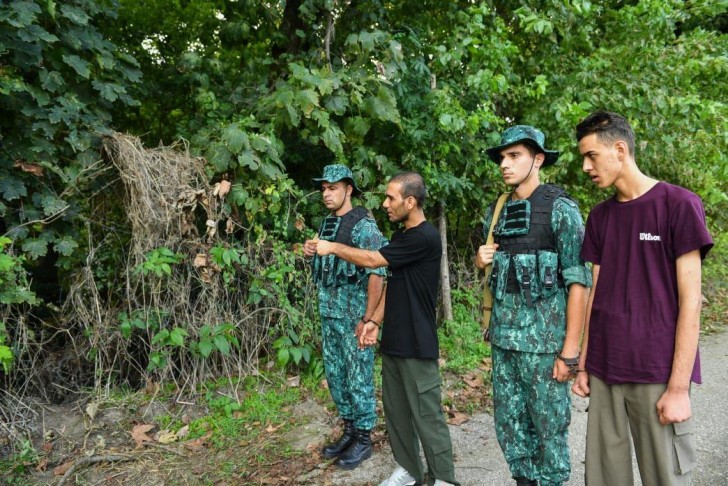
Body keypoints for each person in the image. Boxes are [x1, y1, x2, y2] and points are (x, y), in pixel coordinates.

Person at [572, 111, 714, 486]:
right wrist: (585, 364)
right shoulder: (600, 217)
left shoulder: (678, 205)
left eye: (591, 156)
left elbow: (691, 301)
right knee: (603, 479)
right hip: (604, 371)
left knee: (664, 478)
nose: (586, 166)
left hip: (656, 372)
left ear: (620, 149)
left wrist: (679, 388)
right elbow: (595, 294)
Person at [313, 172, 458, 486]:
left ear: (410, 201)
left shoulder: (425, 236)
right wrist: (374, 322)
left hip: (418, 344)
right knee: (397, 413)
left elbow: (372, 260)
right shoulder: (404, 236)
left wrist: (332, 247)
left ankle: (444, 478)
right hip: (394, 340)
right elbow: (393, 283)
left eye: (391, 198)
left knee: (427, 415)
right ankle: (409, 470)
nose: (385, 203)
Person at [475, 126, 591, 486]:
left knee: (548, 428)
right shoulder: (498, 211)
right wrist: (482, 261)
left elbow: (578, 282)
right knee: (509, 423)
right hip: (505, 341)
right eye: (502, 158)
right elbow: (497, 273)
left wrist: (570, 353)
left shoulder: (561, 209)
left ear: (538, 159)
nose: (504, 165)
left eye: (515, 156)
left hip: (545, 346)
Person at [302, 164, 386, 470]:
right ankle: (350, 429)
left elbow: (378, 272)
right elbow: (324, 260)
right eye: (324, 188)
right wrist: (309, 251)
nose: (326, 194)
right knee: (337, 376)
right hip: (329, 315)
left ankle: (364, 438)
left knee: (358, 377)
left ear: (348, 189)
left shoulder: (364, 227)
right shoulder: (326, 224)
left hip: (354, 318)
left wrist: (369, 319)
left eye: (333, 188)